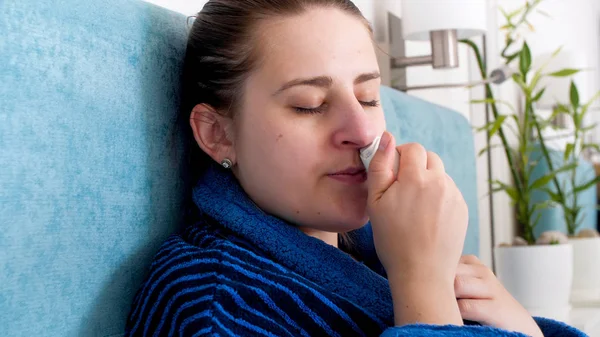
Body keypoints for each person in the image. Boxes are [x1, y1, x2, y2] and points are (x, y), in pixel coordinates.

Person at [125, 1, 586, 336]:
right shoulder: (211, 306)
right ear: (217, 134)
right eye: (309, 105)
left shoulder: (378, 255)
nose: (362, 131)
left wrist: (527, 329)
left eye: (368, 97)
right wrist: (422, 285)